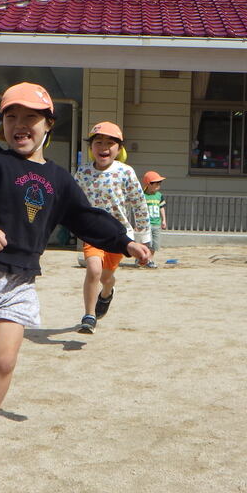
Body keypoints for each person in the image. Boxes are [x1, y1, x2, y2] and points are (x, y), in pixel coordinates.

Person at [0, 82, 151, 468]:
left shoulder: (59, 179)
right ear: (3, 125)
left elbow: (85, 218)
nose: (20, 124)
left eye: (30, 117)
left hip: (20, 280)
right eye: (11, 117)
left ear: (47, 125)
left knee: (3, 362)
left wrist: (124, 242)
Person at [73, 121, 151, 334]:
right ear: (91, 147)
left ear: (119, 149)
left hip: (119, 236)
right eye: (98, 142)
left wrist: (143, 239)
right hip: (92, 233)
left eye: (110, 143)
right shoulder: (82, 172)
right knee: (93, 270)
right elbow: (71, 200)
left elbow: (138, 203)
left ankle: (107, 291)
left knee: (106, 277)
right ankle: (89, 316)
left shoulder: (125, 172)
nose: (103, 147)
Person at [142, 170, 167, 269]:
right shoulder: (143, 196)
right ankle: (145, 259)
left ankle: (150, 259)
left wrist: (164, 220)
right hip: (146, 224)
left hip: (157, 223)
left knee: (155, 245)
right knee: (147, 243)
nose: (159, 186)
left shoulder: (159, 196)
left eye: (159, 184)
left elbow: (162, 208)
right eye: (157, 184)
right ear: (149, 184)